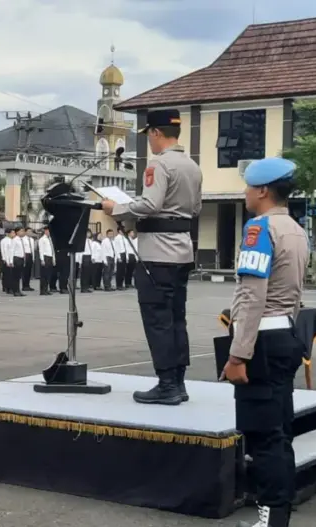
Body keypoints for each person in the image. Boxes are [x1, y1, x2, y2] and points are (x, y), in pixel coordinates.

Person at [215, 157, 308, 527]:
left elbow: (252, 296)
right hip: (285, 335)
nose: (245, 193)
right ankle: (275, 523)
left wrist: (238, 355)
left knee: (263, 439)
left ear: (263, 191)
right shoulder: (295, 228)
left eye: (248, 187)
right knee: (279, 436)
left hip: (262, 344)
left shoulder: (259, 230)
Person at [102, 108, 202, 406]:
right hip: (182, 250)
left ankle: (167, 385)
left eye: (150, 136)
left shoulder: (158, 165)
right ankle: (179, 382)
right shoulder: (192, 165)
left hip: (157, 252)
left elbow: (149, 204)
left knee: (157, 320)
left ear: (157, 133)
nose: (150, 142)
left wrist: (115, 208)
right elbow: (195, 209)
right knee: (176, 318)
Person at [38, 226, 54, 296]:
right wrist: (42, 259)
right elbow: (41, 250)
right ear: (46, 231)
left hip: (50, 257)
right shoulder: (42, 239)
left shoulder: (50, 239)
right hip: (45, 257)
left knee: (48, 274)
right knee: (44, 275)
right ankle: (42, 290)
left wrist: (53, 259)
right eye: (49, 231)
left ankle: (46, 289)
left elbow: (52, 250)